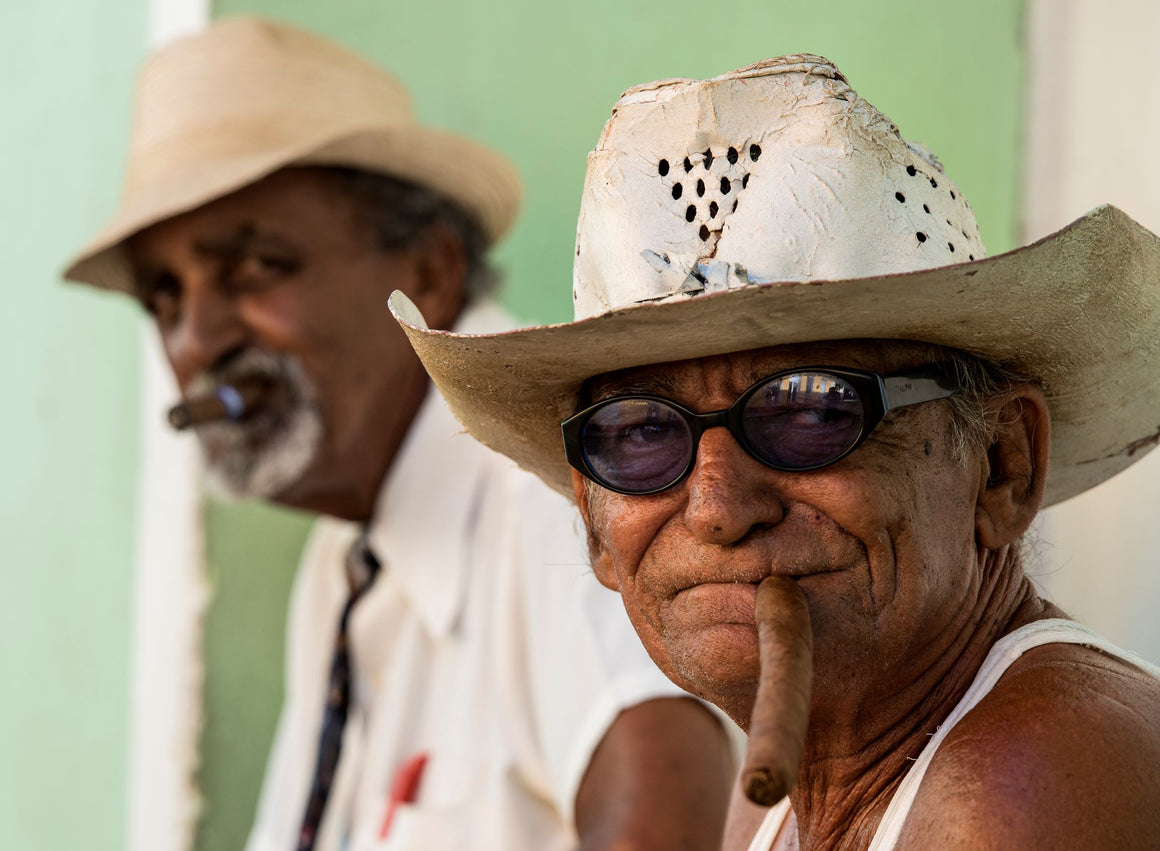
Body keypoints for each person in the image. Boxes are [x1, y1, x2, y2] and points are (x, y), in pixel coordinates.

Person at [393, 54, 1160, 849]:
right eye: (643, 431)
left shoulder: (1018, 786)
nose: (719, 507)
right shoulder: (784, 798)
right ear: (594, 525)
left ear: (1003, 467)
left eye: (810, 411)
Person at [63, 16, 735, 851]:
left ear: (427, 272)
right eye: (165, 298)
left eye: (253, 266)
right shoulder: (346, 568)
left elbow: (675, 812)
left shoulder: (550, 491)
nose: (196, 339)